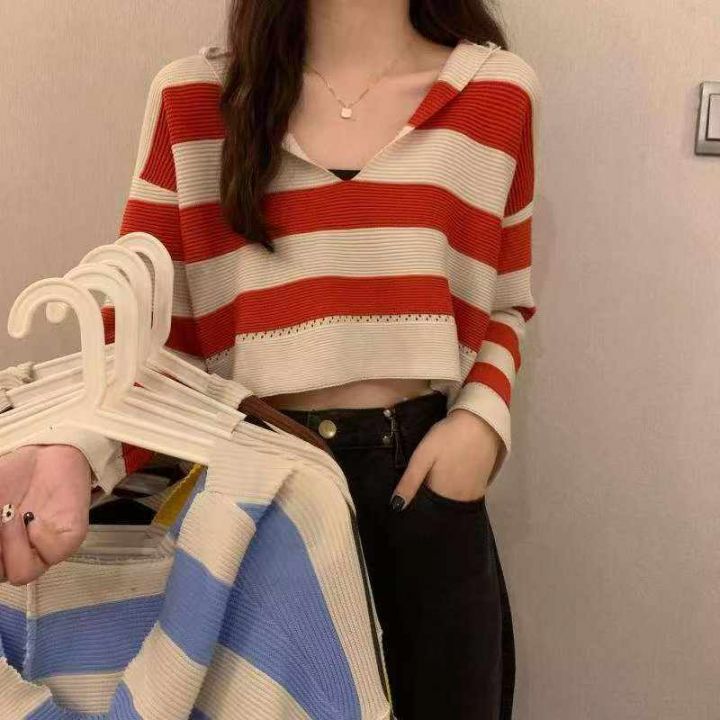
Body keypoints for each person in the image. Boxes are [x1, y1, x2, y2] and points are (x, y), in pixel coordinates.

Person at [0, 1, 541, 717]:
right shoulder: (193, 100)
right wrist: (76, 448)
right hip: (255, 495)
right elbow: (140, 337)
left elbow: (506, 299)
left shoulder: (498, 93)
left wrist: (479, 428)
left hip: (421, 493)